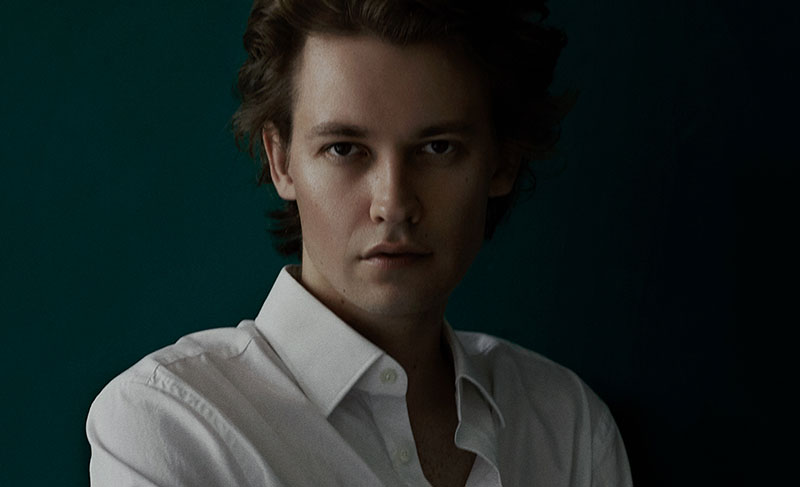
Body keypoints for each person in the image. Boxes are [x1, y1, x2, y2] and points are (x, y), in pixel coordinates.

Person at [86, 1, 632, 486]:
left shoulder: (566, 425)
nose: (393, 204)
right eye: (345, 149)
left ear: (502, 162)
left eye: (438, 148)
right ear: (281, 161)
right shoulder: (170, 424)